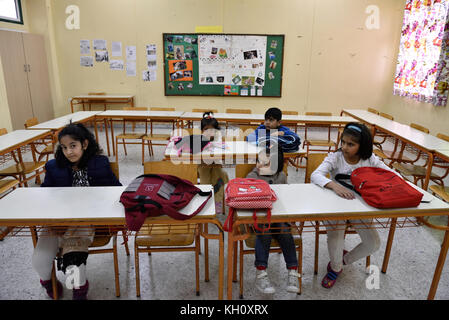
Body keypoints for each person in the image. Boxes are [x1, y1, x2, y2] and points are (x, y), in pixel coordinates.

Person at [31, 122, 121, 300]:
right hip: (57, 221)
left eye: (73, 146)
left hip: (85, 221)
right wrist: (53, 219)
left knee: (73, 266)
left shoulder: (100, 164)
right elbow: (45, 194)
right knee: (40, 261)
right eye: (64, 147)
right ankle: (49, 283)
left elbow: (116, 190)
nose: (69, 152)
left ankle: (79, 291)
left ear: (85, 144)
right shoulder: (53, 166)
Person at [310, 122, 399, 289]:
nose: (344, 147)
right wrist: (334, 185)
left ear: (362, 145)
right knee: (336, 236)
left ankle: (343, 260)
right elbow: (316, 175)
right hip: (335, 205)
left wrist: (403, 184)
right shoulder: (336, 157)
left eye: (350, 144)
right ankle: (335, 269)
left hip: (360, 207)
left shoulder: (369, 159)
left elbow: (390, 174)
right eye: (343, 142)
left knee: (373, 243)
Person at [246, 141, 300, 294]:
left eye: (266, 163)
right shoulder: (252, 176)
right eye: (259, 161)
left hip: (278, 218)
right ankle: (261, 272)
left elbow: (286, 197)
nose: (259, 165)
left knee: (285, 232)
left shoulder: (281, 176)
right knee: (265, 233)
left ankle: (292, 270)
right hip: (260, 219)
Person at [197, 112, 229, 214]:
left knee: (220, 177)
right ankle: (205, 199)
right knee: (205, 178)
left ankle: (217, 201)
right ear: (202, 130)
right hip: (203, 165)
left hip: (216, 164)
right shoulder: (199, 139)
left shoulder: (217, 137)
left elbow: (219, 149)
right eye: (206, 129)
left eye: (212, 130)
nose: (209, 132)